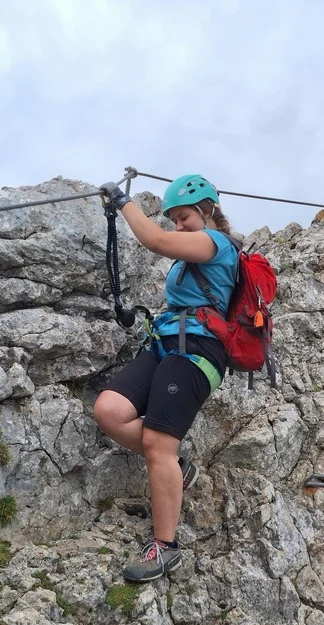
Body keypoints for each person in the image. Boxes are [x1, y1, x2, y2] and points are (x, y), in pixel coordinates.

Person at [93, 174, 238, 583]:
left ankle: (165, 547)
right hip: (163, 344)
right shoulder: (193, 250)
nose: (178, 225)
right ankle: (175, 468)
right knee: (109, 410)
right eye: (173, 219)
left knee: (158, 442)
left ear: (207, 211)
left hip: (197, 351)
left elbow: (154, 241)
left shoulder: (217, 244)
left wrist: (124, 202)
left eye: (184, 217)